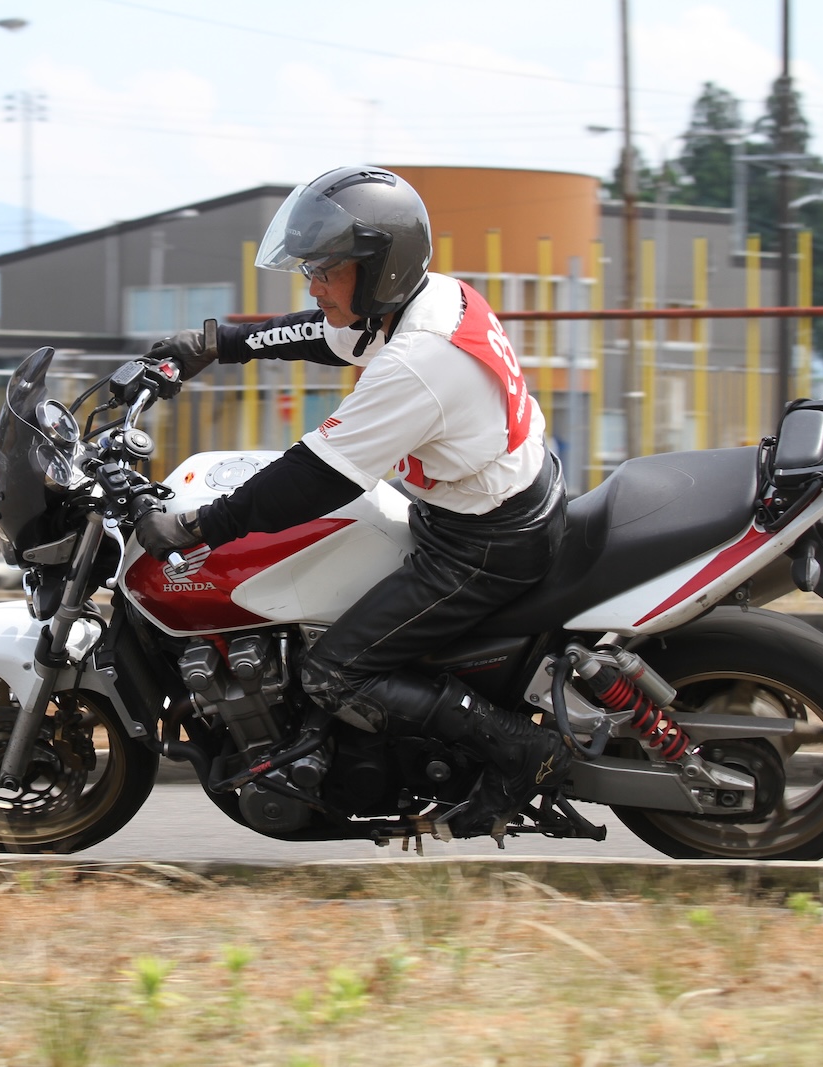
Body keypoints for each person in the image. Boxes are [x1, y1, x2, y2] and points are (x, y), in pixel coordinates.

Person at [136, 165, 569, 839]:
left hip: (485, 545)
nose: (313, 286)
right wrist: (219, 344)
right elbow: (324, 334)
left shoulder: (419, 361)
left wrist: (201, 526)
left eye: (326, 270)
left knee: (334, 673)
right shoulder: (430, 300)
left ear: (378, 271)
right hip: (492, 501)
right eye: (310, 269)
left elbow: (314, 478)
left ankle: (523, 752)